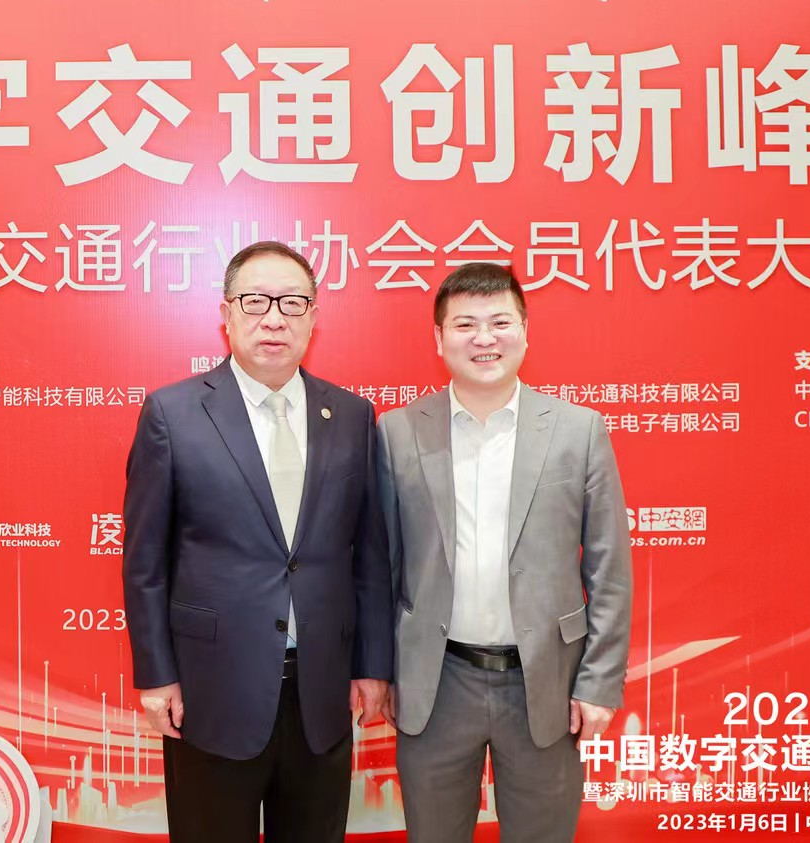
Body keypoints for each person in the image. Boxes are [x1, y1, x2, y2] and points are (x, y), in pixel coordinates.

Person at [123, 240, 393, 843]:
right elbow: (145, 563)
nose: (274, 318)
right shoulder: (173, 413)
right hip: (210, 689)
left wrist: (373, 664)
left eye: (292, 302)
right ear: (226, 313)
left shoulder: (352, 416)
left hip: (321, 689)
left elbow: (370, 557)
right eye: (255, 301)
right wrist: (156, 675)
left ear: (314, 317)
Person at [377, 263, 631, 842]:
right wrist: (381, 671)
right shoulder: (397, 432)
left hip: (546, 684)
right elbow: (380, 565)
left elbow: (609, 569)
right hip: (436, 681)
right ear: (439, 338)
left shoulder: (578, 430)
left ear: (525, 331)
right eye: (465, 324)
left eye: (500, 322)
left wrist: (597, 682)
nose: (484, 338)